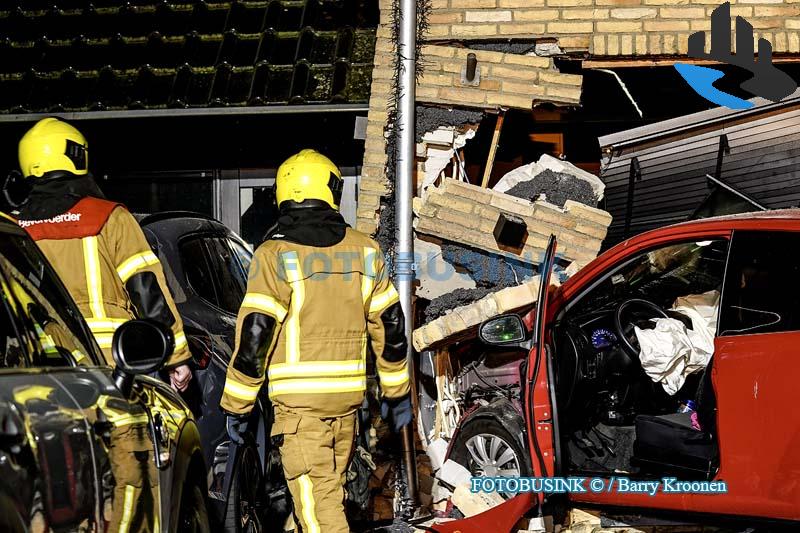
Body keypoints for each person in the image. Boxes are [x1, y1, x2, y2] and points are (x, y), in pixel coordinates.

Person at [220, 149, 412, 533]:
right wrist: (397, 394)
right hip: (347, 405)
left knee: (319, 510)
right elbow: (390, 328)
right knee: (320, 500)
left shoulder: (275, 254)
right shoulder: (366, 250)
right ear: (331, 192)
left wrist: (238, 405)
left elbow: (256, 332)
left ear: (283, 193)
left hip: (298, 410)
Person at [11, 117, 192, 392]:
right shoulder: (109, 217)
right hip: (115, 366)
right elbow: (147, 289)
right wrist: (176, 356)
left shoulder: (13, 229)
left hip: (38, 367)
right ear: (77, 156)